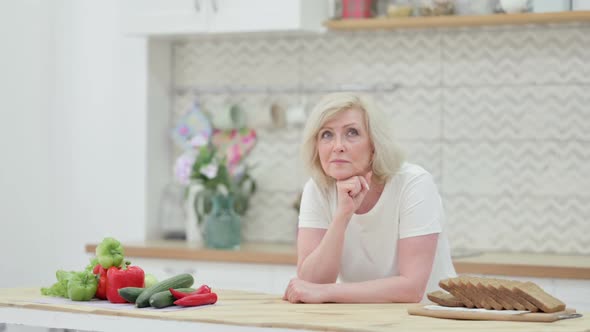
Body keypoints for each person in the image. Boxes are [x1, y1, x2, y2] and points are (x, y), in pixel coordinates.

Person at [283, 92, 456, 304]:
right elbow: (312, 282)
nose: (338, 146)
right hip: (365, 318)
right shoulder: (317, 189)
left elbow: (411, 289)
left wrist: (330, 292)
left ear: (374, 145)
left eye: (352, 133)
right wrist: (342, 216)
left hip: (429, 318)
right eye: (327, 134)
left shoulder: (414, 183)